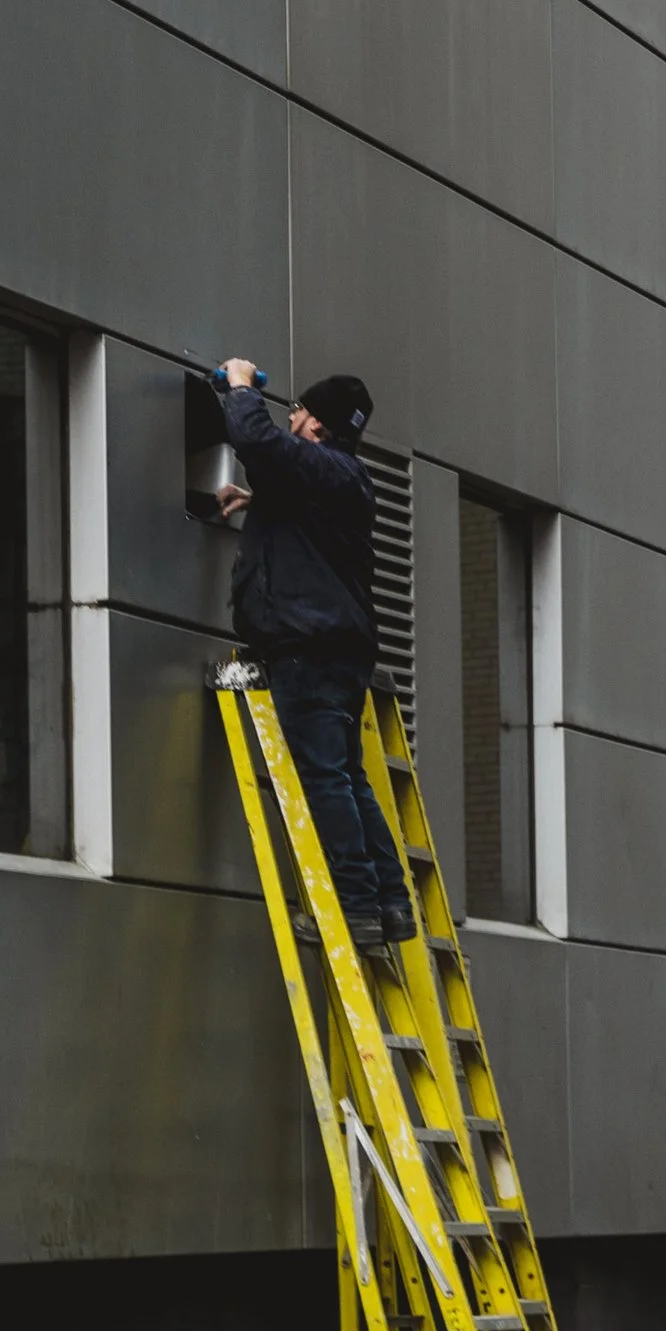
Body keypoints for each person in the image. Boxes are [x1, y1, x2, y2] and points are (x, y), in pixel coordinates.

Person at [217, 359, 414, 961]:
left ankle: (355, 909)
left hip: (309, 647)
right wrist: (260, 501)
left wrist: (241, 387)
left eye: (299, 411)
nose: (292, 417)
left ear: (317, 426)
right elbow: (303, 508)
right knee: (347, 775)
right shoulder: (341, 477)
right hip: (338, 647)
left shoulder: (329, 466)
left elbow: (256, 439)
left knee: (324, 776)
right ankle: (390, 904)